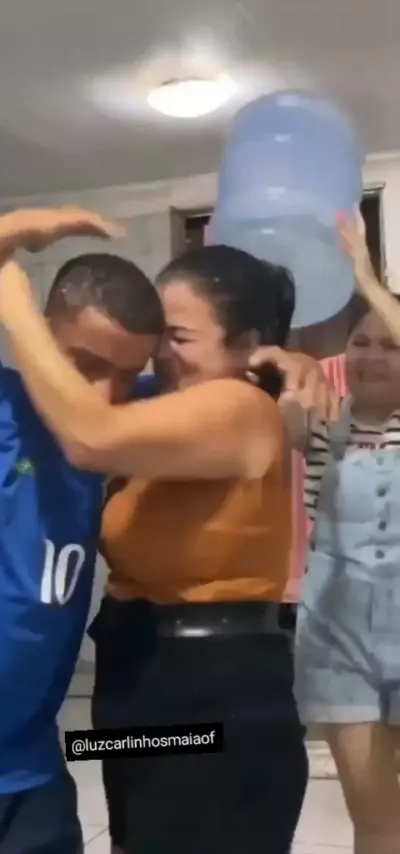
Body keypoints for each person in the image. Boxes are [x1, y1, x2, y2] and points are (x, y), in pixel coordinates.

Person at [0, 243, 329, 854]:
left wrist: (15, 311)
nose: (158, 351)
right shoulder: (160, 407)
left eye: (179, 336)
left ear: (246, 343)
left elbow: (89, 437)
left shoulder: (240, 405)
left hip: (213, 694)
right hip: (135, 674)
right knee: (135, 837)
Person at [0, 209, 164, 854]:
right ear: (41, 333)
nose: (104, 395)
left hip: (32, 776)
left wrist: (286, 366)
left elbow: (231, 397)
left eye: (126, 374)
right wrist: (24, 226)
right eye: (84, 363)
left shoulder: (118, 425)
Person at [282, 212, 400, 854]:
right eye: (360, 341)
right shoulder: (322, 419)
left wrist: (368, 281)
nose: (372, 355)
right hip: (339, 641)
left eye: (390, 343)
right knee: (378, 820)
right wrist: (283, 359)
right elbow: (262, 417)